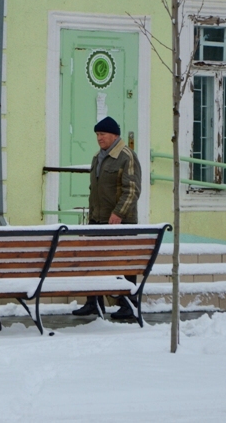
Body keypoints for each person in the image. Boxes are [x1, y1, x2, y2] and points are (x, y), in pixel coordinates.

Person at [72, 116, 142, 320]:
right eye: (97, 135)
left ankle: (128, 304)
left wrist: (118, 213)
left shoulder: (126, 156)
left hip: (121, 222)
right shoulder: (98, 157)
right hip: (97, 219)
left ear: (114, 135)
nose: (99, 138)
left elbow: (132, 190)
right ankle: (93, 302)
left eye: (102, 134)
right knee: (93, 261)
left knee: (124, 263)